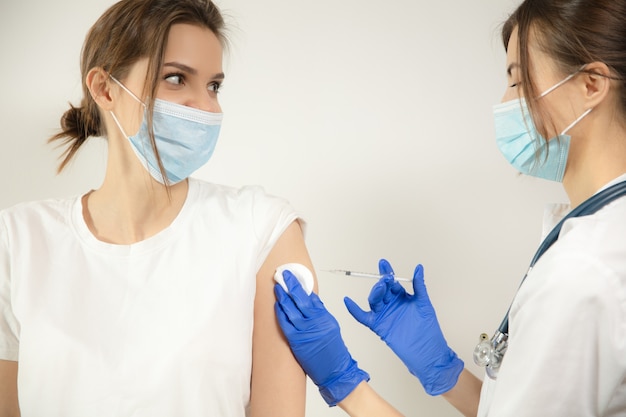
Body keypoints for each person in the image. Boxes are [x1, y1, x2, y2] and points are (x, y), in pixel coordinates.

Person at [274, 0, 626, 416]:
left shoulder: (583, 270)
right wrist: (444, 370)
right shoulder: (599, 238)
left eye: (517, 81)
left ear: (591, 85)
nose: (504, 100)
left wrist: (346, 384)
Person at [0, 0, 316, 416]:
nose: (206, 107)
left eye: (214, 86)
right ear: (105, 88)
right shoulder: (18, 241)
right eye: (175, 78)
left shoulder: (263, 231)